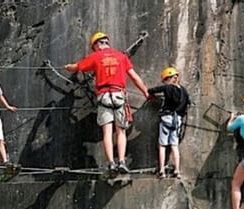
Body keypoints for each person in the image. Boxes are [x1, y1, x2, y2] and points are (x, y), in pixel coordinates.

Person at [65, 32, 149, 173]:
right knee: (121, 131)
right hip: (119, 95)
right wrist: (146, 92)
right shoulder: (121, 57)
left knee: (107, 132)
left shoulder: (95, 56)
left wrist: (69, 67)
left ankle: (111, 163)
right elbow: (134, 77)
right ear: (106, 42)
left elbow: (78, 66)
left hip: (104, 96)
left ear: (97, 45)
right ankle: (121, 162)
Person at [148, 67, 190, 179]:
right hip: (178, 121)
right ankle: (177, 170)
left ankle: (161, 170)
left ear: (168, 78)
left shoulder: (167, 87)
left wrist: (155, 96)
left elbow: (151, 90)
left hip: (166, 118)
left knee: (162, 145)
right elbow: (188, 103)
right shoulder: (184, 91)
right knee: (174, 145)